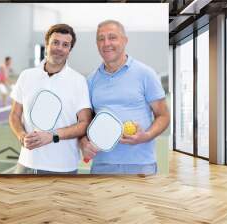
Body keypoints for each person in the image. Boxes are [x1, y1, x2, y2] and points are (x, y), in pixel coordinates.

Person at [80, 20, 170, 175]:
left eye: (112, 37)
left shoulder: (146, 74)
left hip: (141, 165)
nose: (106, 43)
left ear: (125, 40)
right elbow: (84, 122)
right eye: (101, 39)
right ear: (97, 44)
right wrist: (83, 142)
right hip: (102, 165)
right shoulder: (90, 80)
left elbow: (163, 116)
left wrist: (145, 136)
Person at [9, 24, 92, 174]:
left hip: (62, 167)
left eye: (65, 45)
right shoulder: (26, 76)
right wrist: (21, 136)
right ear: (47, 44)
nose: (59, 48)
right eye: (55, 42)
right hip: (26, 164)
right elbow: (15, 115)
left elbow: (85, 123)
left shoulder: (79, 81)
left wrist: (53, 136)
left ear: (69, 50)